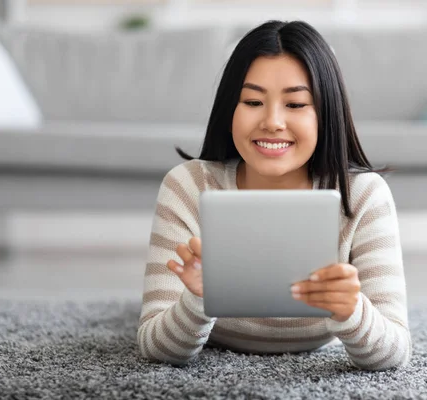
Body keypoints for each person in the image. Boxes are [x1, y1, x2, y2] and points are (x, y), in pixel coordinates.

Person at [137, 20, 411, 371]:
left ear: (326, 115)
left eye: (295, 104)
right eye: (253, 101)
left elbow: (395, 353)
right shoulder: (189, 186)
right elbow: (154, 348)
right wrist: (196, 300)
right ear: (229, 109)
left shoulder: (364, 196)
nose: (272, 121)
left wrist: (352, 309)